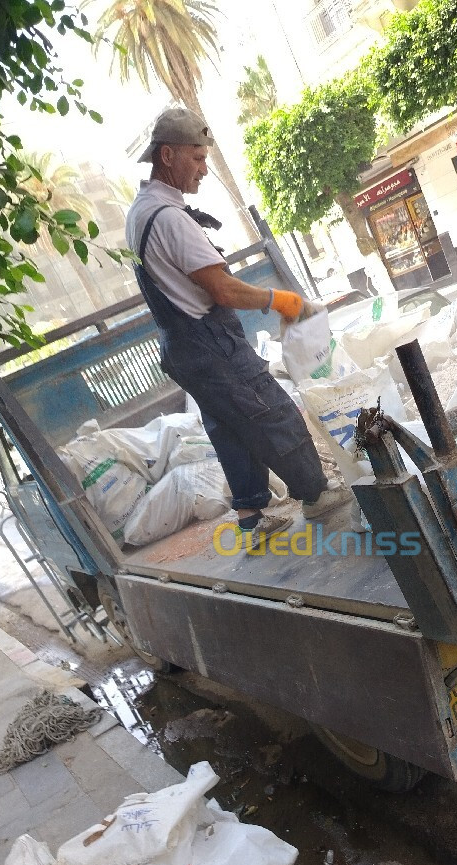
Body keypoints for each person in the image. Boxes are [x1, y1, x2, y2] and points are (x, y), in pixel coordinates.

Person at [125, 108, 352, 549]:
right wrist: (281, 300)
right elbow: (223, 289)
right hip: (210, 344)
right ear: (167, 155)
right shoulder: (171, 218)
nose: (204, 170)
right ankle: (317, 496)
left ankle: (250, 517)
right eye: (196, 159)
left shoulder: (141, 212)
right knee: (273, 414)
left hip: (183, 346)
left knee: (228, 424)